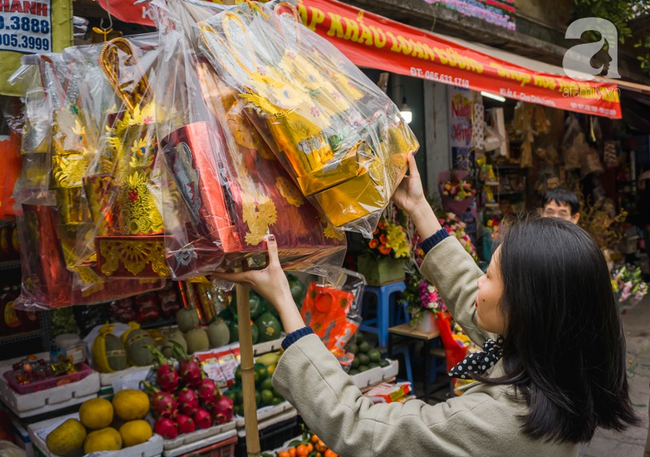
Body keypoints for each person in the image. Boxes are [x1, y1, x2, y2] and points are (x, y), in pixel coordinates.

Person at [215, 154, 638, 456]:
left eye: (488, 275)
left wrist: (285, 303)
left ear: (526, 309)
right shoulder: (559, 365)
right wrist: (418, 207)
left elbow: (362, 430)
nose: (478, 283)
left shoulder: (497, 424)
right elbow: (472, 303)